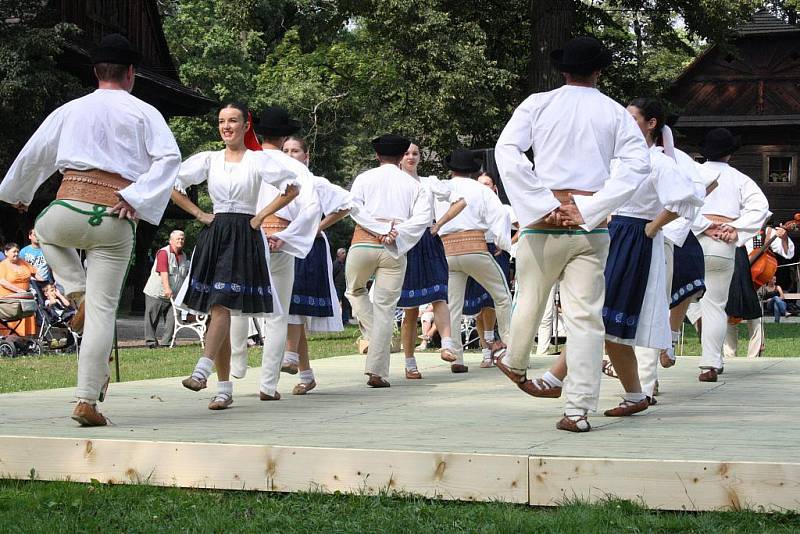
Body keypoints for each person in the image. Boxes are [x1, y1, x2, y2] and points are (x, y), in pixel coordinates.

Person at [0, 34, 182, 426]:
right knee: (102, 313)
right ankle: (86, 399)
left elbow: (35, 153)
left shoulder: (70, 110)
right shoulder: (144, 112)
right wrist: (135, 196)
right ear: (130, 74)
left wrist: (18, 192)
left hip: (66, 209)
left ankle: (75, 290)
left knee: (44, 229)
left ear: (96, 72)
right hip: (115, 218)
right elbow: (169, 159)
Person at [493, 36, 651, 432]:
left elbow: (506, 152)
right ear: (599, 71)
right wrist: (591, 207)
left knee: (530, 295)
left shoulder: (538, 103)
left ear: (563, 70)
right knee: (586, 318)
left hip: (544, 221)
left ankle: (515, 363)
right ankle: (578, 411)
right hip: (589, 226)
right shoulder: (615, 113)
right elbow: (637, 165)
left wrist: (542, 203)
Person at [172, 102, 300, 410]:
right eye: (222, 121)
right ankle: (224, 388)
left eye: (233, 121)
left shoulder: (257, 160)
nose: (226, 126)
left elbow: (291, 188)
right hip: (215, 231)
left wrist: (259, 217)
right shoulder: (209, 159)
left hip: (244, 233)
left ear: (246, 126)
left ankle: (202, 370)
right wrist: (199, 214)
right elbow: (172, 184)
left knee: (222, 304)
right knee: (220, 308)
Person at [227, 107, 321, 401]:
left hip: (247, 233)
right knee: (278, 314)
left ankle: (238, 360)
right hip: (280, 238)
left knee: (237, 302)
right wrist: (287, 237)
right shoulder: (298, 169)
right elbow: (312, 209)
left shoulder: (245, 159)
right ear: (284, 138)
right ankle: (268, 384)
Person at [346, 134, 430, 387]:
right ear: (402, 156)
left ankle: (374, 334)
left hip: (363, 243)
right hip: (395, 248)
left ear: (377, 155)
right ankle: (377, 371)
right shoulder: (414, 185)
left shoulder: (364, 178)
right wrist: (395, 232)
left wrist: (377, 228)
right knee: (385, 308)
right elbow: (423, 218)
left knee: (354, 290)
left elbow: (354, 208)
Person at [691, 128, 770, 382]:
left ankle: (661, 355)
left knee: (675, 300)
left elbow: (673, 204)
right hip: (722, 243)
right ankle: (711, 363)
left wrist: (703, 225)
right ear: (730, 154)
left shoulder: (691, 173)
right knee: (715, 304)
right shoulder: (739, 178)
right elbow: (761, 207)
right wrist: (734, 228)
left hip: (690, 240)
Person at [279, 136, 352, 395]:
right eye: (285, 150)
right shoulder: (273, 181)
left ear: (306, 156)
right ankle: (306, 374)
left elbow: (346, 203)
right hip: (281, 242)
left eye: (295, 150)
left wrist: (316, 227)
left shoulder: (315, 182)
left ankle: (289, 355)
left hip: (309, 247)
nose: (289, 154)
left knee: (295, 300)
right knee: (287, 304)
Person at [436, 149, 512, 373]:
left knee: (454, 305)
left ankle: (457, 357)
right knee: (502, 296)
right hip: (475, 247)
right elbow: (500, 215)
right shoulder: (480, 189)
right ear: (472, 171)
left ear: (451, 170)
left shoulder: (441, 188)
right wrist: (501, 242)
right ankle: (511, 349)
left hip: (448, 250)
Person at [397, 142, 466, 379]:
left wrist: (439, 224)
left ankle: (447, 344)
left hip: (428, 239)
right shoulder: (395, 182)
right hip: (406, 242)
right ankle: (409, 361)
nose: (411, 157)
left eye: (415, 153)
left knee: (439, 293)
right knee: (410, 308)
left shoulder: (429, 182)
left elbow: (460, 200)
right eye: (407, 153)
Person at [461, 171, 514, 368]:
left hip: (494, 251)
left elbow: (520, 226)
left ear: (494, 188)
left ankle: (497, 347)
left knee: (492, 300)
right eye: (480, 183)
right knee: (478, 307)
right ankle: (486, 352)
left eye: (487, 183)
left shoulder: (503, 207)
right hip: (474, 249)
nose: (483, 187)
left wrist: (505, 242)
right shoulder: (471, 206)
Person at [723, 225, 794, 359]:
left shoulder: (765, 232)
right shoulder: (733, 226)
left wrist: (784, 238)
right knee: (729, 317)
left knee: (755, 319)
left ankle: (753, 357)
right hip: (732, 278)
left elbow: (787, 253)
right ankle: (729, 356)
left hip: (752, 283)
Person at [142, 229, 189, 348]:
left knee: (173, 318)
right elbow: (163, 272)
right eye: (178, 238)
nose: (180, 241)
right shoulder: (163, 253)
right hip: (157, 293)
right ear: (171, 240)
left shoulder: (184, 255)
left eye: (182, 238)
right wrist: (167, 288)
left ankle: (166, 342)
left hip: (174, 295)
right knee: (152, 318)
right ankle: (151, 343)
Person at [0, 243, 42, 336]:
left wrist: (45, 283)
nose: (16, 254)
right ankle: (14, 338)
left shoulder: (23, 262)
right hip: (9, 300)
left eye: (18, 251)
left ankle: (26, 340)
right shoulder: (3, 265)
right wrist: (18, 290)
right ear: (6, 252)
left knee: (27, 313)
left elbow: (35, 273)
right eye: (14, 252)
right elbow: (2, 281)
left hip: (24, 297)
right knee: (17, 317)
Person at [332, 248, 351, 323]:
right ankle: (334, 320)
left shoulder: (346, 263)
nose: (345, 254)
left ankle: (345, 320)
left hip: (345, 287)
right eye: (343, 253)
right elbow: (332, 275)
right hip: (337, 287)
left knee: (346, 304)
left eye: (345, 253)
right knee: (336, 304)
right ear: (338, 254)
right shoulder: (335, 264)